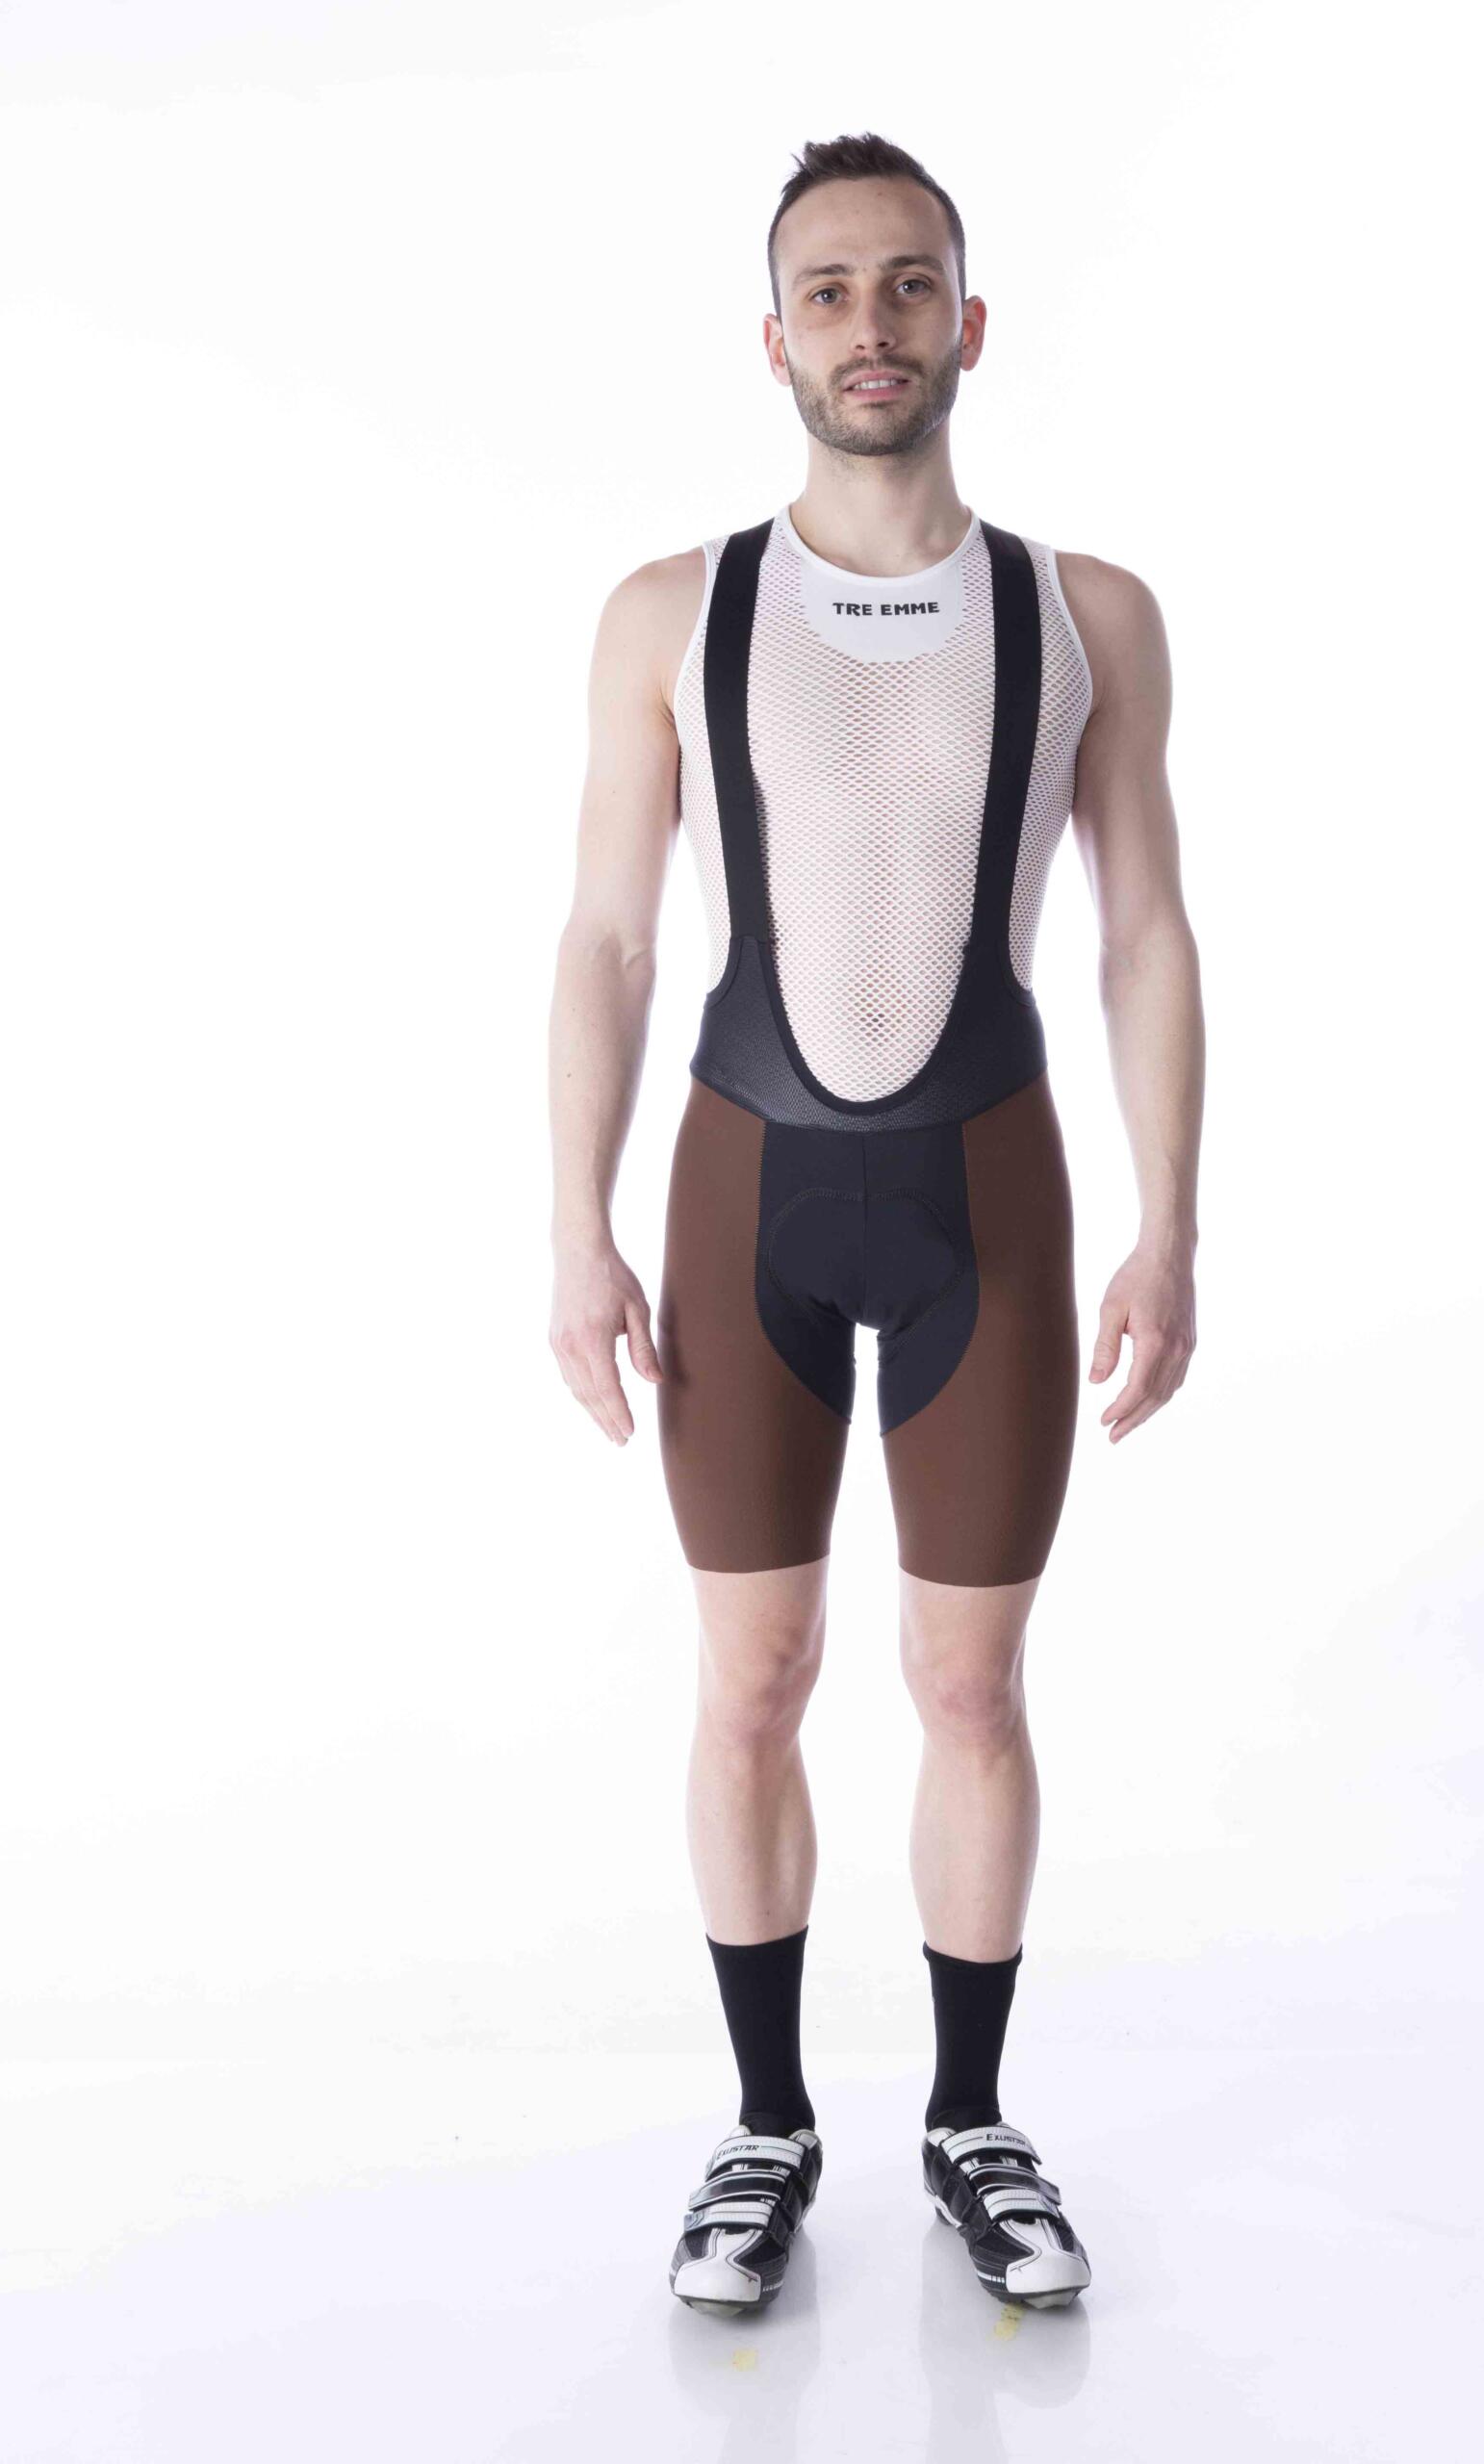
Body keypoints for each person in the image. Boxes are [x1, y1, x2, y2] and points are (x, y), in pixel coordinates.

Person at [548, 130, 1204, 2317]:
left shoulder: (1084, 613)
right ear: (772, 340)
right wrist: (573, 1225)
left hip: (984, 1190)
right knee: (752, 1674)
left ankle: (970, 2122)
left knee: (967, 1678)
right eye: (826, 292)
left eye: (908, 283)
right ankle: (764, 2127)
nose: (870, 325)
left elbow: (1143, 934)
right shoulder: (674, 610)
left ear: (970, 320)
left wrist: (1172, 1225)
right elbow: (608, 941)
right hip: (742, 1182)